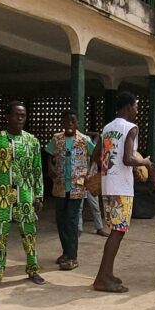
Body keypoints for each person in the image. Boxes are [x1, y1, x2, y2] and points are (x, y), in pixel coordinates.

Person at [93, 91, 154, 294]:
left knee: (114, 230)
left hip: (108, 185)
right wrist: (145, 162)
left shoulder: (107, 128)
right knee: (117, 233)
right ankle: (102, 279)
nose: (137, 110)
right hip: (121, 188)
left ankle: (107, 274)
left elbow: (96, 154)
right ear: (128, 107)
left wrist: (108, 169)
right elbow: (128, 159)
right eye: (136, 106)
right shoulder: (131, 128)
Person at [0, 101, 45, 291]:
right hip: (1, 197)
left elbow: (37, 169)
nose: (20, 118)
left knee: (29, 235)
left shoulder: (32, 141)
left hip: (25, 196)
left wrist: (39, 195)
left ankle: (33, 270)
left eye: (23, 115)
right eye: (16, 115)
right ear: (7, 117)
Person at [45, 111, 95, 271]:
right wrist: (50, 167)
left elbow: (96, 155)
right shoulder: (56, 139)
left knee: (72, 221)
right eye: (67, 121)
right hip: (60, 186)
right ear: (63, 123)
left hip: (77, 186)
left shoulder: (84, 140)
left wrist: (90, 173)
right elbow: (48, 154)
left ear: (77, 123)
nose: (70, 124)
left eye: (73, 121)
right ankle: (66, 253)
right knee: (61, 220)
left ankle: (73, 257)